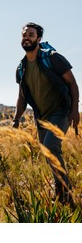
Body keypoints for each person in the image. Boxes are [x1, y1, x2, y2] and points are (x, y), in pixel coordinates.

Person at [12, 22, 79, 206]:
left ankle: (66, 193)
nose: (27, 37)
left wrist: (74, 110)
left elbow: (72, 84)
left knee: (51, 147)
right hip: (41, 117)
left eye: (31, 35)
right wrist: (16, 119)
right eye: (24, 34)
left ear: (39, 39)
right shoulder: (22, 67)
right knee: (48, 153)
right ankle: (60, 189)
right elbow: (22, 96)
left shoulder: (53, 58)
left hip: (61, 111)